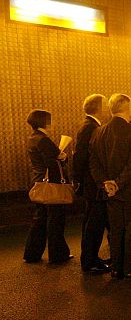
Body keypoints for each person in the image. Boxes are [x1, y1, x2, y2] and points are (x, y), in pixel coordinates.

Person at [90, 94, 131, 280]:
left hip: (111, 192)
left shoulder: (98, 132)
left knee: (116, 230)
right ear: (128, 108)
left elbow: (93, 163)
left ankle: (117, 268)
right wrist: (118, 182)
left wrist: (105, 183)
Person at [23, 109, 72, 264]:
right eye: (50, 120)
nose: (53, 123)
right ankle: (58, 255)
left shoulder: (32, 138)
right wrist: (63, 157)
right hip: (52, 184)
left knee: (39, 220)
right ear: (44, 121)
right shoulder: (44, 140)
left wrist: (58, 155)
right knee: (55, 220)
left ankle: (32, 254)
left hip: (39, 182)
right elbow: (51, 162)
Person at [74, 94, 112, 274]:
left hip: (91, 183)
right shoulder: (90, 127)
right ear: (99, 107)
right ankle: (90, 262)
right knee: (94, 225)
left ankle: (92, 259)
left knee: (93, 224)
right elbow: (81, 157)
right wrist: (79, 180)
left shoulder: (89, 125)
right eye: (105, 105)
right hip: (93, 184)